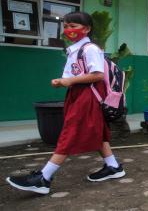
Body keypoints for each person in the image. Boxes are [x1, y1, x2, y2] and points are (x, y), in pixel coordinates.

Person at [6, 12, 125, 195]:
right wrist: (63, 81)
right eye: (66, 26)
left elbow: (98, 75)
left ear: (86, 29)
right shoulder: (75, 49)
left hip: (88, 95)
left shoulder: (90, 48)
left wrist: (69, 81)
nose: (69, 30)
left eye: (74, 26)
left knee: (70, 133)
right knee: (98, 132)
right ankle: (113, 166)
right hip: (78, 93)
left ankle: (43, 178)